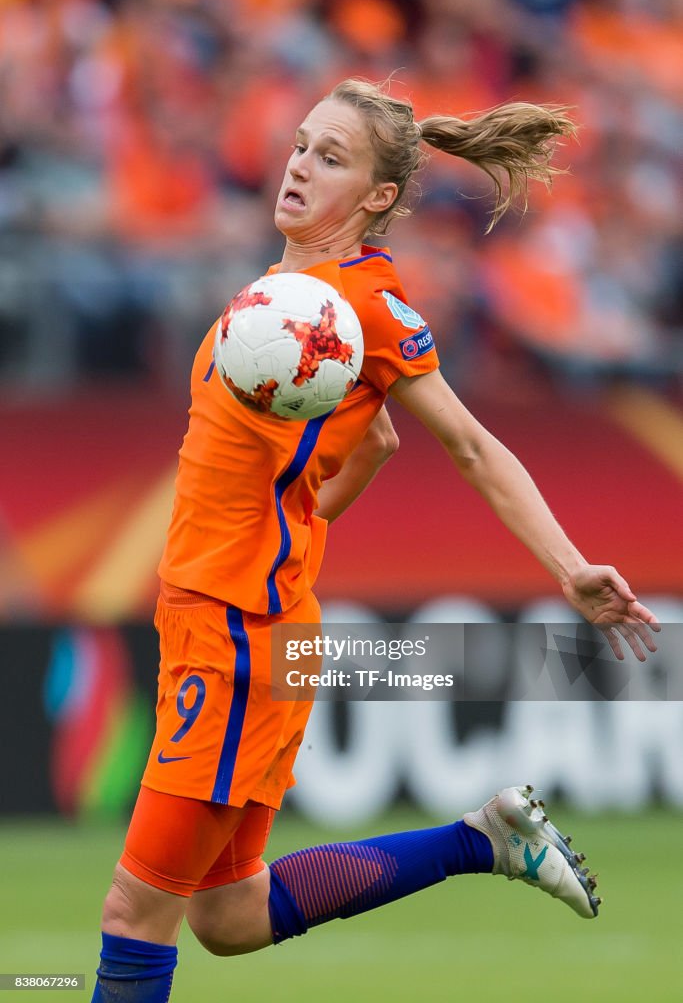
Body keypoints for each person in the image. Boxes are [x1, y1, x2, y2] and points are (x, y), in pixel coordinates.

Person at [90, 78, 660, 1002]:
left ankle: (484, 842)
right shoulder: (285, 295)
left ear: (378, 197)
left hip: (236, 633)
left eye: (331, 157)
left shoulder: (363, 304)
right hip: (226, 615)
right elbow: (376, 440)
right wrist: (296, 523)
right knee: (226, 917)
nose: (299, 166)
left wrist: (569, 568)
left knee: (132, 915)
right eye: (301, 144)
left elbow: (470, 446)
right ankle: (481, 841)